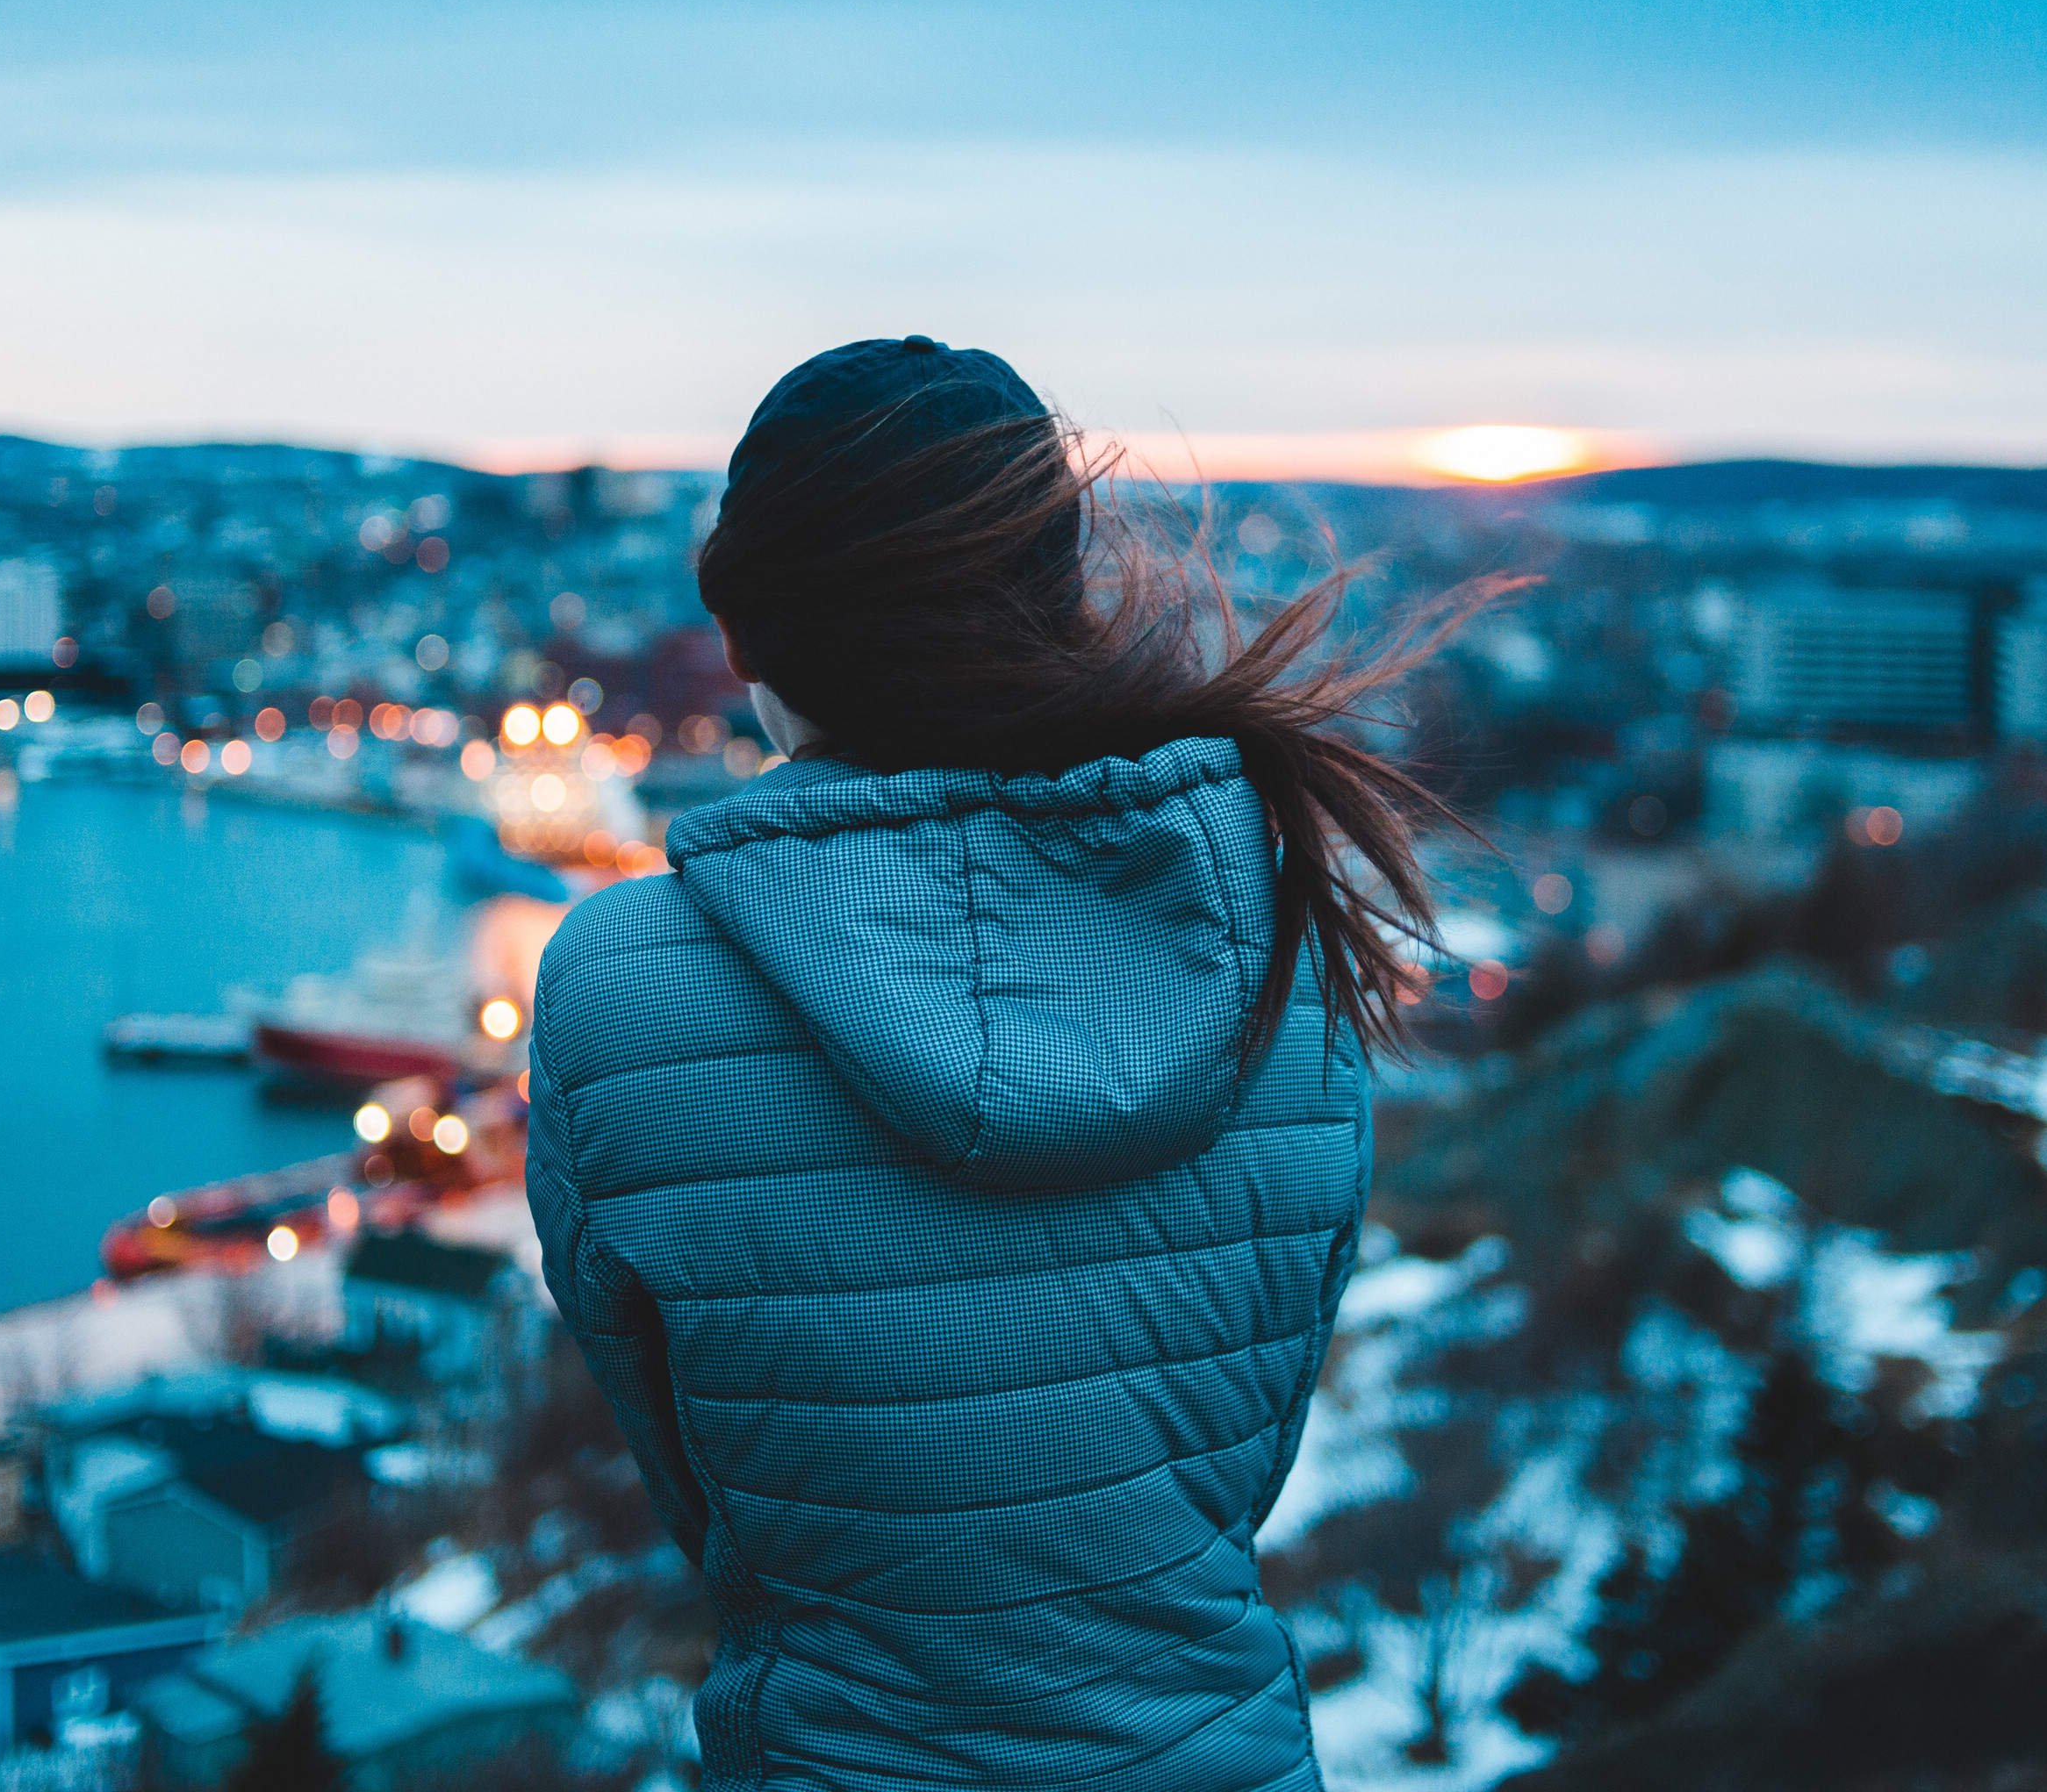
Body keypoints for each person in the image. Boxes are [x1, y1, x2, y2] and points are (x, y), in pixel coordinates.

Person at [528, 336, 1500, 1790]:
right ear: (1060, 601)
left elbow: (703, 1481)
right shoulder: (1276, 947)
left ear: (743, 642)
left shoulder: (625, 988)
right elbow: (1230, 1467)